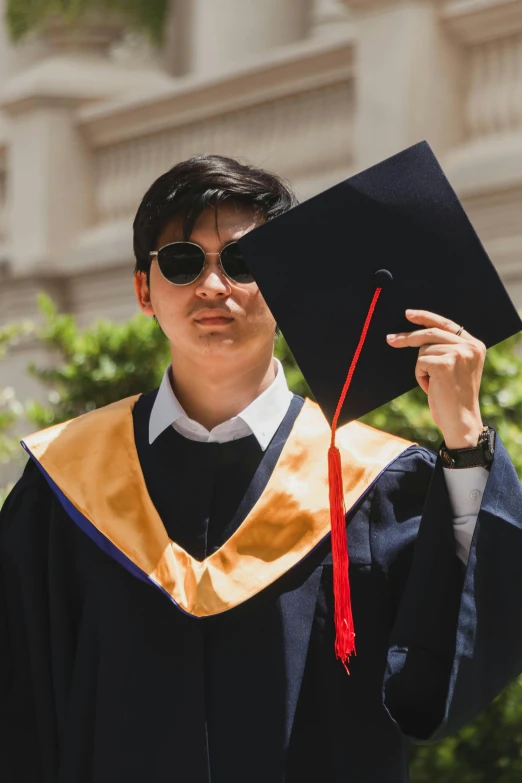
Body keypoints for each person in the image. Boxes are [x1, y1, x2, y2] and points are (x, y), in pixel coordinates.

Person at [1, 153, 522, 783]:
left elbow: (446, 666)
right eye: (183, 262)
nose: (214, 287)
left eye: (244, 264)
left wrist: (465, 442)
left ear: (289, 287)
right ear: (144, 289)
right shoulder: (64, 484)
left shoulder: (372, 482)